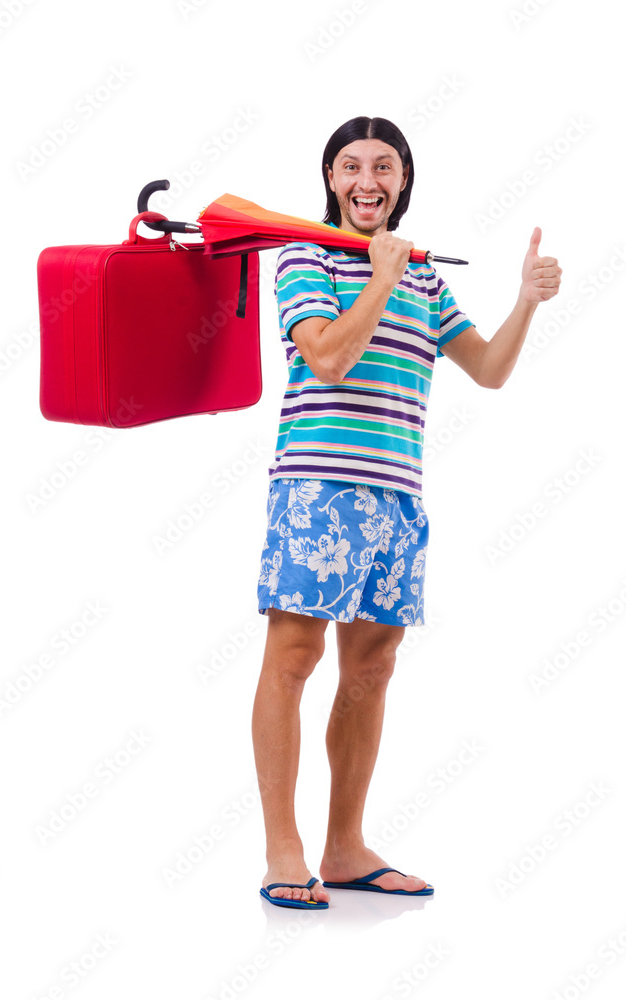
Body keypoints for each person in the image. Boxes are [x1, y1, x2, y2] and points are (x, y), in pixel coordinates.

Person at [252, 116, 562, 909]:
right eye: (351, 166)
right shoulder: (303, 256)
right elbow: (326, 355)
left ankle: (346, 848)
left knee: (372, 671)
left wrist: (524, 301)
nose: (367, 180)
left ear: (401, 180)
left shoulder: (425, 277)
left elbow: (487, 369)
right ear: (330, 179)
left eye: (383, 166)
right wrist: (380, 276)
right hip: (316, 489)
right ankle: (284, 852)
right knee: (292, 660)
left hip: (396, 493)